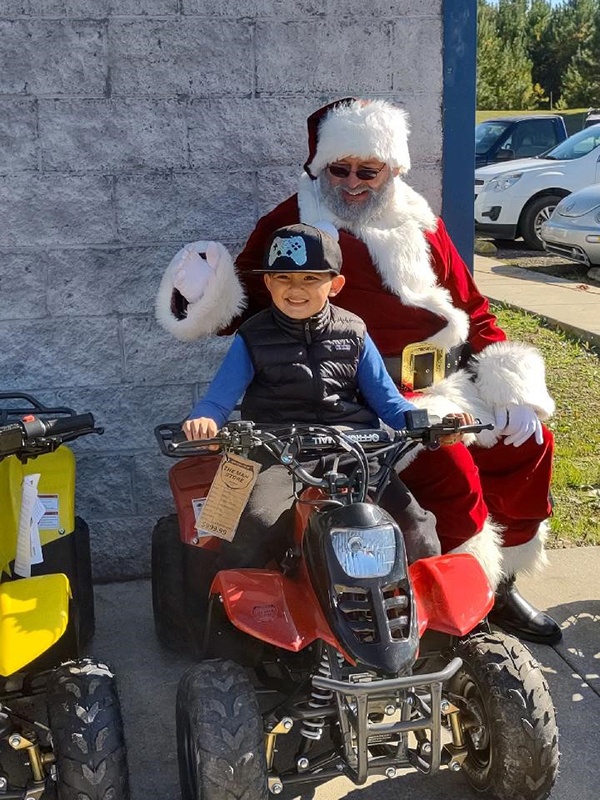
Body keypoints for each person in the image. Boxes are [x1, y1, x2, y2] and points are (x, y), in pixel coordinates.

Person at [156, 98, 560, 645]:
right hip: (355, 393)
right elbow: (247, 310)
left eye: (367, 170)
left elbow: (472, 308)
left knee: (528, 444)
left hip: (435, 382)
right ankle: (461, 598)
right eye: (338, 170)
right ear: (319, 167)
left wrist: (509, 384)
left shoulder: (421, 222)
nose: (352, 184)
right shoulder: (290, 222)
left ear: (392, 169)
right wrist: (206, 293)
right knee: (452, 466)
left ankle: (499, 582)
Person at [183, 222, 472, 570]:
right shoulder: (251, 336)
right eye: (283, 279)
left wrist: (434, 424)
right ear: (267, 283)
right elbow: (218, 399)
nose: (295, 289)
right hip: (280, 455)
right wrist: (205, 421)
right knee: (254, 527)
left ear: (335, 285)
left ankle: (422, 617)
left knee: (417, 527)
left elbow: (390, 403)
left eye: (309, 279)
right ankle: (235, 621)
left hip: (356, 453)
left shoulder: (355, 332)